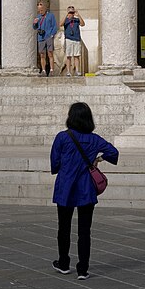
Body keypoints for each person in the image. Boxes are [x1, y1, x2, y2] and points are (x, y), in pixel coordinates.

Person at [50, 102, 119, 279]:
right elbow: (113, 152)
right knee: (84, 231)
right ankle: (83, 269)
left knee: (63, 227)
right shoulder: (94, 139)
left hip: (65, 187)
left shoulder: (62, 137)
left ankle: (64, 263)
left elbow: (55, 163)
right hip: (86, 188)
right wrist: (99, 159)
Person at [33, 1, 57, 76]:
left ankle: (52, 70)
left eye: (42, 10)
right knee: (42, 54)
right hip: (41, 37)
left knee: (50, 53)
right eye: (39, 10)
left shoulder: (51, 15)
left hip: (48, 37)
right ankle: (43, 70)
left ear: (45, 8)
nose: (40, 11)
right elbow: (34, 27)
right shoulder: (38, 17)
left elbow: (54, 26)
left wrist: (52, 34)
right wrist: (34, 23)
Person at [59, 6, 85, 77]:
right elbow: (60, 24)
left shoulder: (76, 19)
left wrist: (78, 15)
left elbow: (83, 24)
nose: (71, 14)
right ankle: (68, 71)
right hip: (68, 39)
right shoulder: (66, 20)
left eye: (72, 12)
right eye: (70, 12)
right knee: (68, 56)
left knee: (76, 56)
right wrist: (66, 15)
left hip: (76, 39)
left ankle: (77, 71)